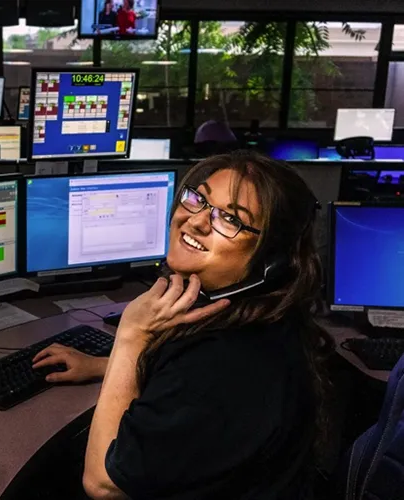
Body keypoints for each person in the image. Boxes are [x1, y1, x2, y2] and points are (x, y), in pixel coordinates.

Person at [33, 151, 331, 499]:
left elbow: (103, 482)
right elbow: (182, 376)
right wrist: (103, 366)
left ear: (271, 260)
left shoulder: (228, 362)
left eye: (230, 219)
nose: (197, 221)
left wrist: (131, 334)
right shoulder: (257, 317)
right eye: (198, 198)